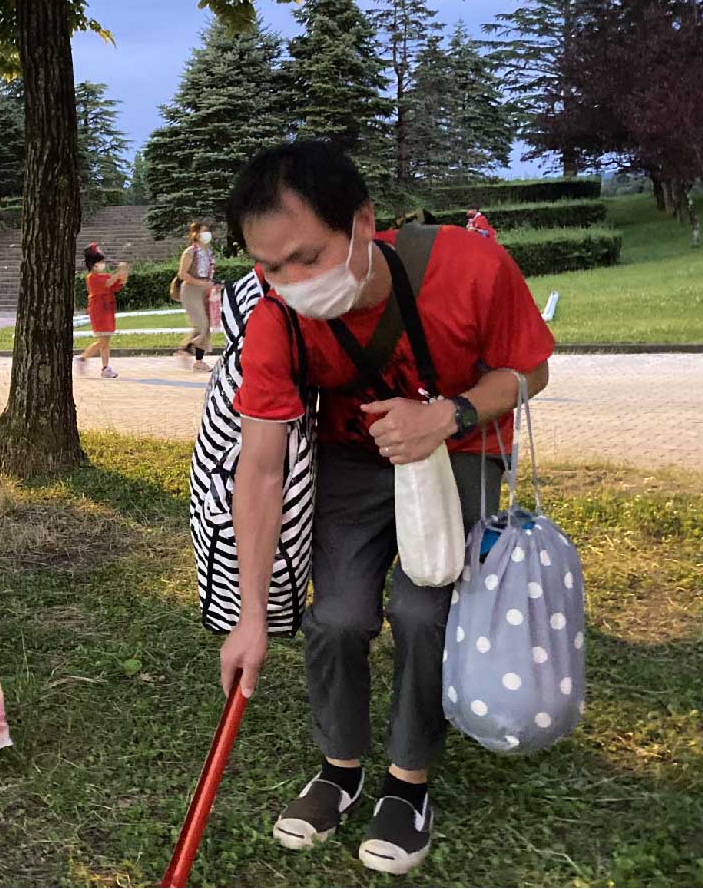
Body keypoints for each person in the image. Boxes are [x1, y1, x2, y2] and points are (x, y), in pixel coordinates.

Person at [219, 140, 553, 875]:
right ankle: (339, 770)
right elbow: (261, 468)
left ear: (363, 223)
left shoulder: (467, 266)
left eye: (307, 258)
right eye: (270, 267)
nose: (291, 283)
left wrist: (448, 414)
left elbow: (531, 371)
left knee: (422, 608)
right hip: (354, 456)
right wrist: (250, 615)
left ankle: (408, 782)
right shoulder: (278, 319)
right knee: (337, 616)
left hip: (459, 446)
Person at [76, 243, 128, 379]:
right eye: (99, 262)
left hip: (108, 310)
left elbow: (119, 283)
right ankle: (83, 358)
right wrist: (118, 273)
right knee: (104, 340)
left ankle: (104, 367)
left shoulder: (104, 275)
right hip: (99, 311)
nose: (102, 264)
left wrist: (124, 272)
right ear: (93, 265)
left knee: (105, 341)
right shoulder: (92, 278)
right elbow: (109, 283)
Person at [173, 221, 220, 371]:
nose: (207, 234)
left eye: (208, 231)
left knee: (206, 327)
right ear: (196, 234)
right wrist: (202, 283)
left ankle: (199, 361)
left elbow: (209, 273)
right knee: (201, 324)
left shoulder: (208, 252)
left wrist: (213, 285)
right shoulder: (190, 251)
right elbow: (183, 274)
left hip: (205, 291)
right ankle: (185, 349)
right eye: (204, 231)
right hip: (191, 290)